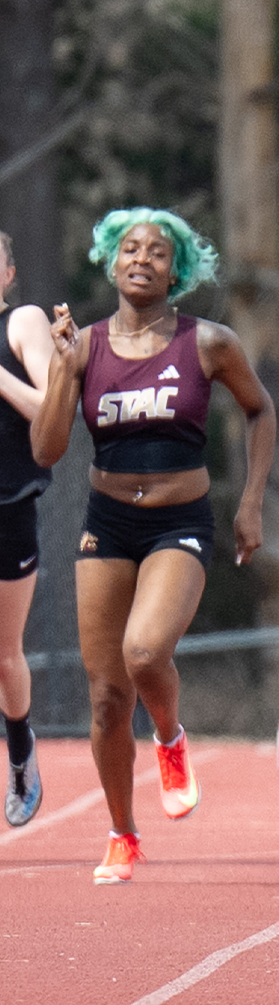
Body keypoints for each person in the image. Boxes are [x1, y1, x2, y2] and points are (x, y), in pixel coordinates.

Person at [34, 209, 277, 883]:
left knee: (145, 652)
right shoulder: (83, 347)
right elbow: (47, 449)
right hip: (106, 523)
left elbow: (260, 409)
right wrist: (59, 371)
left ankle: (169, 737)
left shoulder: (209, 344)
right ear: (111, 264)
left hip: (179, 521)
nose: (143, 258)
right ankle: (122, 833)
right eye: (129, 249)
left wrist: (251, 501)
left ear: (178, 271)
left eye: (159, 252)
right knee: (108, 696)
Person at [0, 232, 53, 828]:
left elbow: (49, 406)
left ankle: (20, 754)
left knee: (5, 657)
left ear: (9, 274)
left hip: (7, 504)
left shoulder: (23, 323)